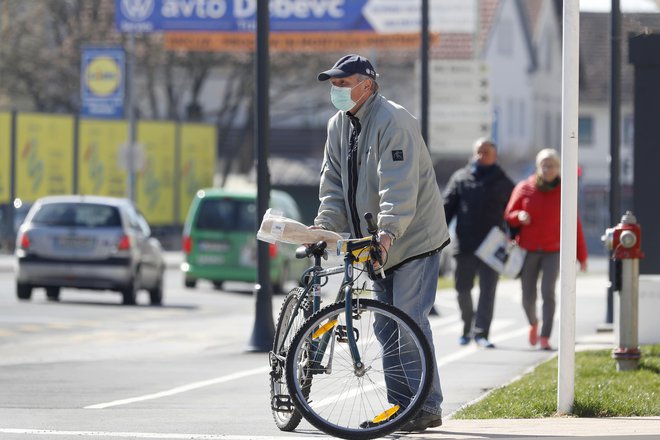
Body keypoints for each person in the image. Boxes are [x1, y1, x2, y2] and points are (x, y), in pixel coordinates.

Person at [312, 54, 450, 432]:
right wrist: (324, 229)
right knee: (387, 327)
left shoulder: (394, 120)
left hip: (413, 238)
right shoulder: (337, 126)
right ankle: (402, 407)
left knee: (408, 320)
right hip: (374, 242)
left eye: (343, 83)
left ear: (367, 86)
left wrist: (387, 233)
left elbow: (398, 185)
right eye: (333, 84)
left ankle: (426, 406)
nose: (336, 90)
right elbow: (334, 187)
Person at [504, 148, 588, 351]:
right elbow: (509, 214)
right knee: (527, 296)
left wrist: (581, 256)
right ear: (538, 167)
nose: (548, 169)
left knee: (548, 292)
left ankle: (545, 336)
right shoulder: (525, 187)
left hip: (553, 250)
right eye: (544, 165)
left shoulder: (565, 190)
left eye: (552, 165)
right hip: (528, 249)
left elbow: (574, 224)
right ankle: (533, 322)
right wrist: (520, 216)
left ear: (559, 168)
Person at [443, 138, 514, 349]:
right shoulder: (460, 178)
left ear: (495, 156)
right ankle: (467, 327)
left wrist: (515, 235)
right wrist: (437, 235)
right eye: (479, 152)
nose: (482, 155)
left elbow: (513, 214)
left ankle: (482, 333)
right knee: (462, 289)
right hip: (464, 243)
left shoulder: (504, 182)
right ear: (473, 154)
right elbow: (447, 208)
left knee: (487, 291)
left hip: (493, 247)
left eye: (487, 152)